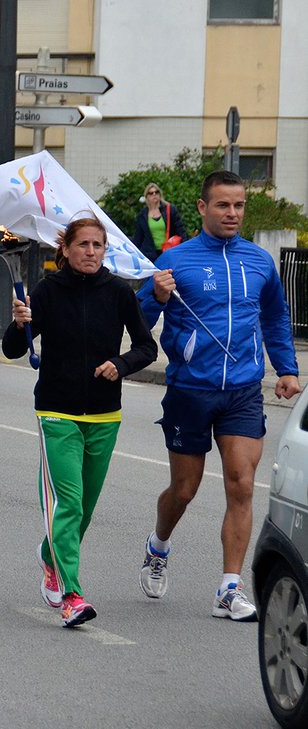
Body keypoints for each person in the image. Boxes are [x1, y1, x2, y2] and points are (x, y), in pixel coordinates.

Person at [136, 170, 301, 621]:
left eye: (239, 205)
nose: (232, 213)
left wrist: (287, 368)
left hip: (243, 391)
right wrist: (155, 297)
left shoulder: (259, 261)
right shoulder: (177, 260)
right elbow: (138, 319)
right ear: (203, 208)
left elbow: (275, 318)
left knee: (241, 484)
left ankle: (229, 588)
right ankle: (158, 545)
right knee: (184, 489)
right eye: (223, 205)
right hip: (190, 390)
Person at [3, 218, 157, 627]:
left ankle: (49, 554)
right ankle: (71, 594)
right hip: (57, 412)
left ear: (105, 250)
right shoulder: (47, 291)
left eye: (97, 245)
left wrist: (120, 364)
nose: (90, 252)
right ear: (66, 249)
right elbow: (13, 350)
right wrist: (19, 324)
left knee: (84, 509)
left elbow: (147, 347)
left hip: (105, 414)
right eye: (83, 244)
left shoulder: (119, 293)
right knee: (68, 504)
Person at [133, 183, 188, 262]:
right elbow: (138, 238)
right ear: (146, 197)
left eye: (156, 192)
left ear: (160, 194)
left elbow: (181, 230)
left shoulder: (170, 209)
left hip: (169, 252)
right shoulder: (142, 215)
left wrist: (185, 248)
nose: (154, 194)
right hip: (150, 255)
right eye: (151, 193)